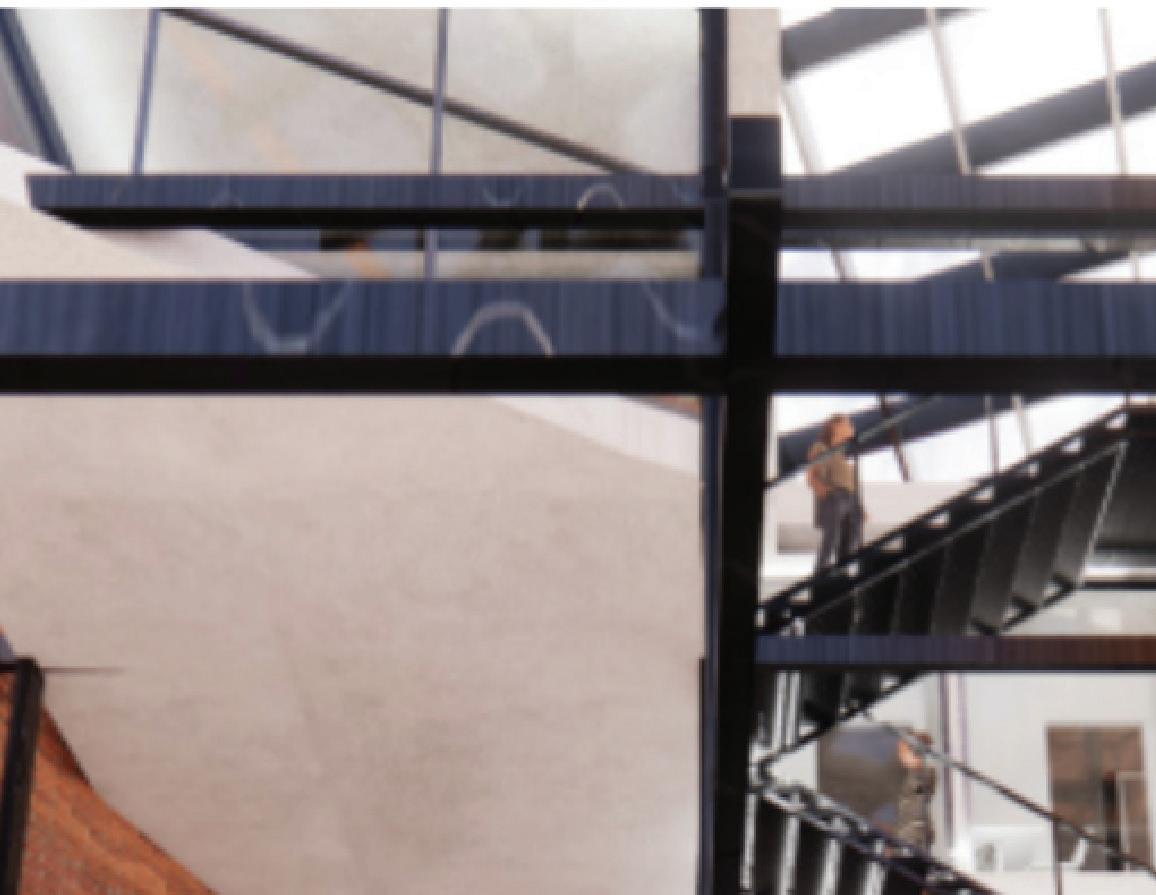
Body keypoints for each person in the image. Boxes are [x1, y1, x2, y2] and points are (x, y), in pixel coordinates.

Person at [807, 413, 864, 574]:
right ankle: (821, 571)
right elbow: (813, 473)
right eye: (848, 424)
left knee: (850, 535)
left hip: (850, 498)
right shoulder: (821, 448)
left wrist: (859, 507)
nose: (851, 428)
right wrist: (823, 491)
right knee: (832, 536)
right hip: (835, 496)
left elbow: (852, 484)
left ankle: (842, 569)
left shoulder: (841, 456)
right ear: (835, 426)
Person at [895, 730, 937, 852]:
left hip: (915, 828)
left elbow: (925, 794)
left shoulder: (926, 771)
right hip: (905, 827)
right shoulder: (903, 771)